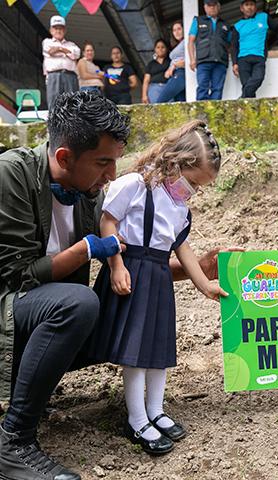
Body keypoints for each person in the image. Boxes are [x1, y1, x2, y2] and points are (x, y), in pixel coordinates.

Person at [0, 91, 232, 479]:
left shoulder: (88, 194)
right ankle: (14, 440)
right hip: (7, 308)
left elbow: (134, 257)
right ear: (63, 157)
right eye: (103, 163)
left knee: (107, 315)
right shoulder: (12, 175)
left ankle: (42, 394)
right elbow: (16, 276)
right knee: (79, 305)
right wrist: (85, 249)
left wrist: (196, 270)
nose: (112, 175)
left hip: (37, 310)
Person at [89, 120, 227, 455]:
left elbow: (182, 248)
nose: (194, 191)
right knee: (136, 353)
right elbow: (108, 222)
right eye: (194, 183)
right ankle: (137, 419)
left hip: (158, 278)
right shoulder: (133, 185)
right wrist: (116, 265)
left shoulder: (179, 206)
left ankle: (156, 410)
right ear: (177, 164)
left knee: (158, 350)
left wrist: (203, 283)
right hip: (132, 271)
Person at [231, 0, 278, 98]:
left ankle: (242, 98)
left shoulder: (263, 17)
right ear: (241, 8)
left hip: (259, 57)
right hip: (242, 59)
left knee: (258, 78)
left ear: (255, 7)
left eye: (252, 4)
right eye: (246, 5)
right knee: (248, 87)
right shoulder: (237, 26)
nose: (249, 7)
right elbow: (234, 46)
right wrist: (234, 63)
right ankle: (248, 107)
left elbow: (277, 29)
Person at [188, 0, 231, 101]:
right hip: (203, 61)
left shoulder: (225, 24)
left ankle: (214, 114)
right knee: (202, 87)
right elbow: (191, 42)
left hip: (220, 61)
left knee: (218, 89)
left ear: (219, 7)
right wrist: (192, 59)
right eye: (209, 5)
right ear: (205, 7)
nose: (212, 8)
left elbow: (230, 44)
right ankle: (202, 114)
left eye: (214, 5)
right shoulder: (198, 21)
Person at [42, 15, 80, 108]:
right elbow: (50, 51)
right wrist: (65, 51)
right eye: (55, 28)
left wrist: (58, 50)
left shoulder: (72, 44)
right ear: (51, 30)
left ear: (65, 30)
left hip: (70, 76)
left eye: (61, 28)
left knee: (72, 105)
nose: (58, 31)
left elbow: (76, 55)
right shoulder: (47, 42)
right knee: (54, 105)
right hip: (53, 76)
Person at [142, 39, 171, 104]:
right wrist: (144, 95)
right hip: (154, 89)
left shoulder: (171, 62)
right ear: (155, 49)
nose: (160, 49)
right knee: (155, 110)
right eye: (158, 47)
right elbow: (146, 80)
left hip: (168, 88)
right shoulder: (151, 64)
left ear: (166, 49)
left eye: (163, 47)